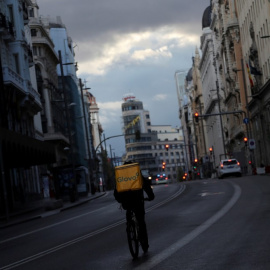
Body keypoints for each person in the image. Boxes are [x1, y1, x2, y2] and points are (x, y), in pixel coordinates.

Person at [114, 161, 155, 253]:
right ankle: (144, 243)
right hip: (138, 201)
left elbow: (116, 191)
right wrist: (151, 196)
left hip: (126, 203)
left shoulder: (121, 176)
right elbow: (146, 186)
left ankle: (129, 227)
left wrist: (120, 200)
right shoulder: (136, 174)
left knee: (129, 215)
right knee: (141, 222)